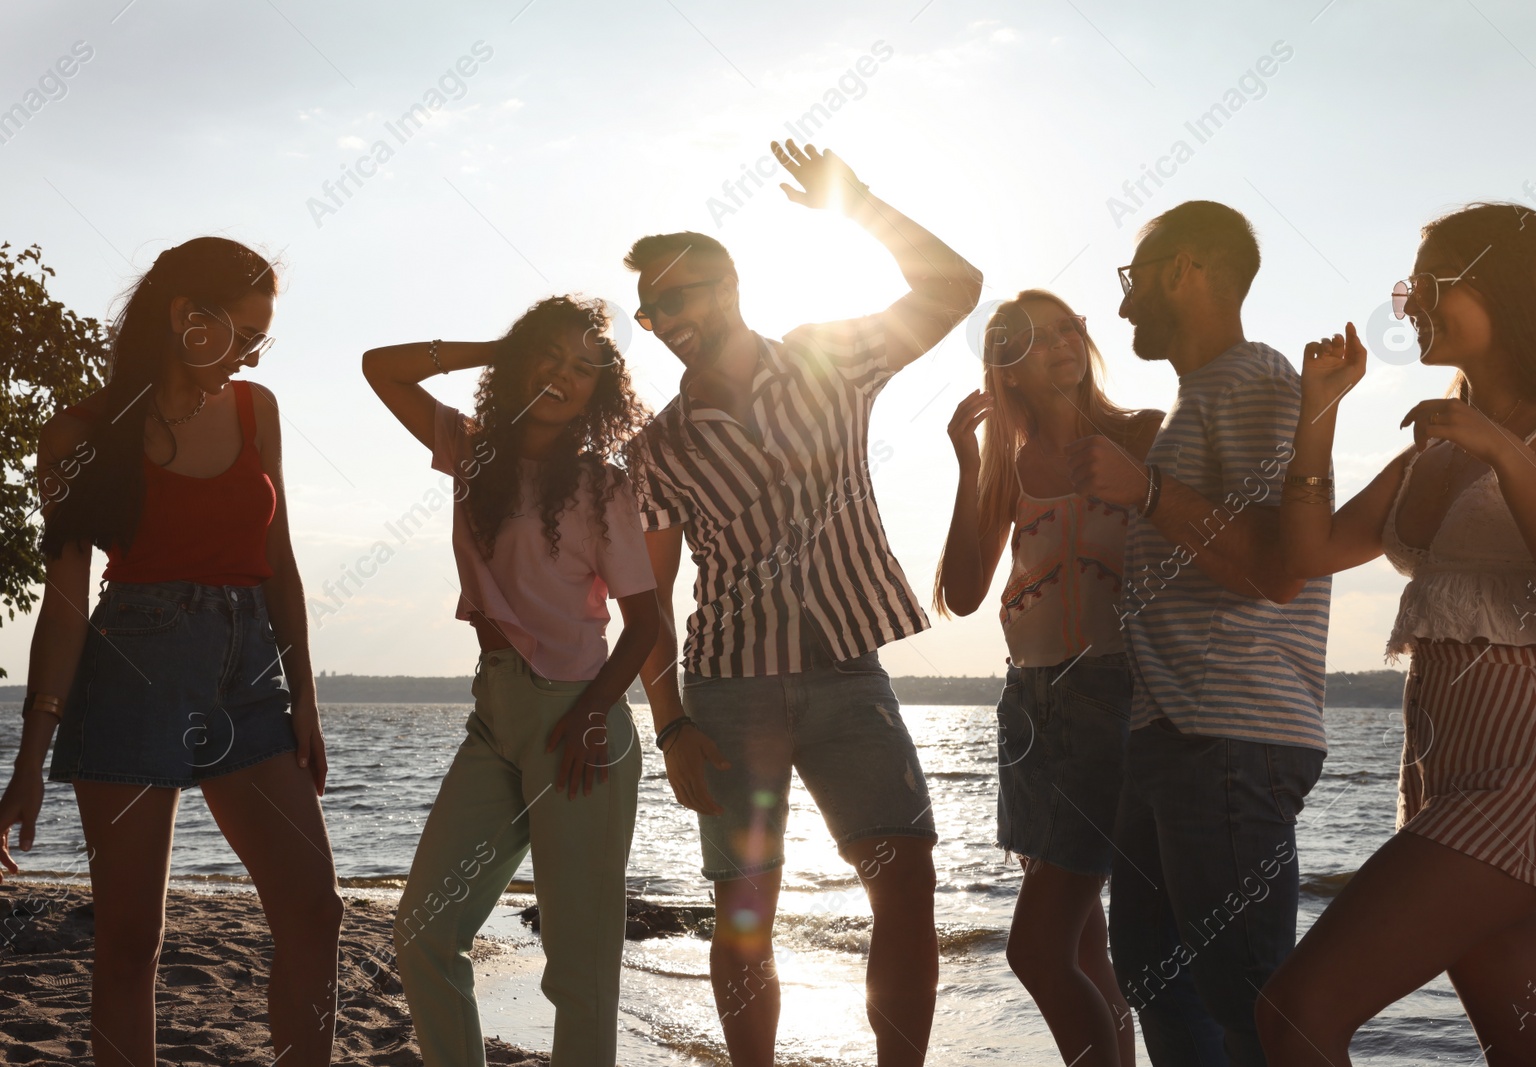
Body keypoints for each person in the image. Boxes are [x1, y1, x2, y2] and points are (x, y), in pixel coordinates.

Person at [624, 139, 981, 1067]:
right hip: (730, 690)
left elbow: (954, 288)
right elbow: (651, 597)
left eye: (676, 296)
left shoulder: (835, 357)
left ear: (729, 285)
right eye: (650, 307)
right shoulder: (658, 447)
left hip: (848, 671)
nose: (661, 318)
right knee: (745, 907)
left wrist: (857, 202)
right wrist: (669, 727)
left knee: (906, 882)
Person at [1258, 202, 1536, 1066]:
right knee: (1532, 1055)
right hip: (1438, 777)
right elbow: (1302, 556)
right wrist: (1320, 410)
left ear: (1508, 291)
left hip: (1522, 774)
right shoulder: (1430, 445)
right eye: (1411, 285)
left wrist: (1507, 452)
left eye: (1433, 283)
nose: (1410, 304)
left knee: (1297, 1010)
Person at [0, 237, 343, 1067]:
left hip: (250, 678)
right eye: (242, 332)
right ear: (186, 316)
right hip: (131, 675)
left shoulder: (257, 411)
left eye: (265, 337)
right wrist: (31, 757)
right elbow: (69, 602)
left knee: (315, 908)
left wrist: (305, 695)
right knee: (129, 938)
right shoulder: (80, 431)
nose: (255, 353)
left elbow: (283, 564)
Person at [1061, 201, 1330, 1067]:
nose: (1125, 303)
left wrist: (1142, 493)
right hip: (1177, 737)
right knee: (1158, 975)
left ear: (1184, 270)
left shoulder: (1256, 379)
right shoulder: (1199, 396)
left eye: (1133, 277)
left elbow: (1278, 566)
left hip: (1230, 738)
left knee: (1257, 1006)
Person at [362, 295, 658, 1067]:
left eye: (584, 369)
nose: (564, 377)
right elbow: (378, 369)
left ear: (602, 392)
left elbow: (648, 624)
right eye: (550, 357)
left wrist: (595, 714)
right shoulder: (472, 449)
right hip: (494, 716)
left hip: (579, 723)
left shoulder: (603, 485)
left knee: (580, 969)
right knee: (425, 928)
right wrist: (493, 347)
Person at [934, 289, 1161, 1067]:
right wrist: (971, 469)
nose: (1062, 343)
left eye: (1068, 326)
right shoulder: (1011, 463)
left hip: (1112, 695)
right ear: (1009, 368)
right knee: (1081, 940)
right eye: (1034, 339)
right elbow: (962, 593)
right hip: (1028, 708)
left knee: (1036, 949)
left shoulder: (1145, 435)